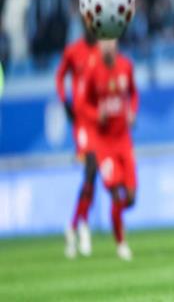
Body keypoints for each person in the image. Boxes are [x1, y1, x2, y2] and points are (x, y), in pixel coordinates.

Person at [81, 39, 139, 261]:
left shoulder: (126, 66)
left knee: (131, 197)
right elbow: (82, 103)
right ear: (99, 46)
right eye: (104, 42)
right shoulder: (92, 71)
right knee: (115, 193)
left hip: (124, 141)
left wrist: (132, 111)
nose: (107, 46)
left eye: (111, 41)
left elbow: (134, 93)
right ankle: (121, 243)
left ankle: (115, 217)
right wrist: (97, 115)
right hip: (104, 144)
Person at [56, 28, 100, 258]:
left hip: (99, 123)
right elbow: (59, 77)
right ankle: (81, 227)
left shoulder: (102, 52)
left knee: (92, 176)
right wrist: (65, 102)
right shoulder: (73, 51)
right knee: (91, 169)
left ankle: (74, 226)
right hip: (82, 122)